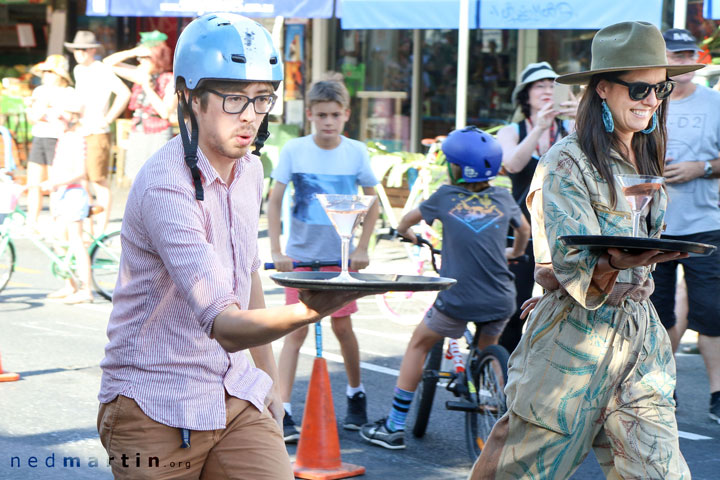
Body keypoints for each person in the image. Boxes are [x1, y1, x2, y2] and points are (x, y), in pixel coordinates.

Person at [96, 14, 373, 480]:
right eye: (233, 98)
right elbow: (224, 323)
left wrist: (269, 390)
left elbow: (247, 279)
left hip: (237, 392)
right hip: (155, 405)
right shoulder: (168, 185)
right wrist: (312, 309)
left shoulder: (251, 172)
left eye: (261, 98)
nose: (249, 114)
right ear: (190, 99)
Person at [469, 21, 701, 479]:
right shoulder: (566, 159)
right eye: (639, 88)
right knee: (528, 470)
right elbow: (564, 261)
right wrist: (615, 262)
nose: (652, 100)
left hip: (638, 334)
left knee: (660, 473)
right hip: (572, 339)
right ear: (601, 89)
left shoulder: (646, 156)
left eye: (661, 88)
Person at [358, 127, 530, 450]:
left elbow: (404, 223)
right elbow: (524, 229)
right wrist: (516, 253)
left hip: (457, 300)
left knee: (418, 344)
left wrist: (410, 237)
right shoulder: (503, 197)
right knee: (487, 344)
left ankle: (394, 426)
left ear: (457, 168)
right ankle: (487, 391)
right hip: (501, 299)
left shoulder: (444, 198)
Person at [267, 72, 380, 442]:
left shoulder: (356, 152)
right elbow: (276, 198)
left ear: (346, 114)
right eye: (321, 115)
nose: (328, 122)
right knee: (293, 332)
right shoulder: (294, 150)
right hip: (301, 257)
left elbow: (372, 199)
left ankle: (355, 393)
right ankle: (282, 409)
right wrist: (277, 251)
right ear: (310, 115)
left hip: (341, 257)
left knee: (342, 327)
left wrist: (363, 247)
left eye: (335, 115)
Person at [648, 28, 720, 423]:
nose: (684, 61)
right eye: (675, 56)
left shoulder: (715, 103)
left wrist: (702, 168)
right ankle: (662, 389)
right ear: (661, 61)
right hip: (653, 226)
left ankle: (718, 395)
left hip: (705, 224)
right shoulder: (646, 100)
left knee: (712, 313)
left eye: (689, 54)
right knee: (658, 315)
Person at [495, 61, 577, 354]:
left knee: (560, 301)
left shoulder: (572, 128)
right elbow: (512, 164)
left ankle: (547, 365)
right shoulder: (511, 130)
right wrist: (540, 127)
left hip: (561, 228)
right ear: (525, 95)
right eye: (539, 85)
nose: (546, 91)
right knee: (514, 304)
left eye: (552, 85)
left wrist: (580, 118)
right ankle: (504, 370)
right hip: (520, 229)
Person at [65, 30, 131, 235]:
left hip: (97, 131)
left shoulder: (101, 69)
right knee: (82, 178)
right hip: (80, 129)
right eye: (76, 50)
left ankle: (101, 228)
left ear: (93, 50)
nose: (79, 54)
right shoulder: (78, 70)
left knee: (98, 180)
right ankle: (88, 225)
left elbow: (124, 93)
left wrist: (108, 118)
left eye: (83, 50)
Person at [103, 30, 177, 182]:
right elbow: (107, 63)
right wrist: (133, 51)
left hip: (158, 133)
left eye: (146, 58)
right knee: (135, 176)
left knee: (157, 177)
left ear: (157, 58)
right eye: (140, 58)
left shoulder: (170, 80)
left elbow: (164, 112)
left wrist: (148, 87)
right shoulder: (138, 74)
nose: (141, 61)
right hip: (138, 130)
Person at [40, 93, 94, 304]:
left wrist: (57, 182)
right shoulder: (63, 137)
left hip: (72, 193)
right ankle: (70, 284)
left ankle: (86, 289)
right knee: (59, 240)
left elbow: (80, 172)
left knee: (76, 241)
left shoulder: (76, 138)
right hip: (62, 193)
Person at [24, 55, 75, 228]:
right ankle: (32, 220)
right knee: (34, 182)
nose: (46, 75)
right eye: (44, 72)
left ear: (59, 75)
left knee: (54, 183)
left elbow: (68, 119)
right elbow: (33, 118)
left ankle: (56, 221)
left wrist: (52, 109)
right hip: (39, 136)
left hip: (57, 138)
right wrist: (33, 108)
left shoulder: (68, 93)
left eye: (50, 72)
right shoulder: (39, 91)